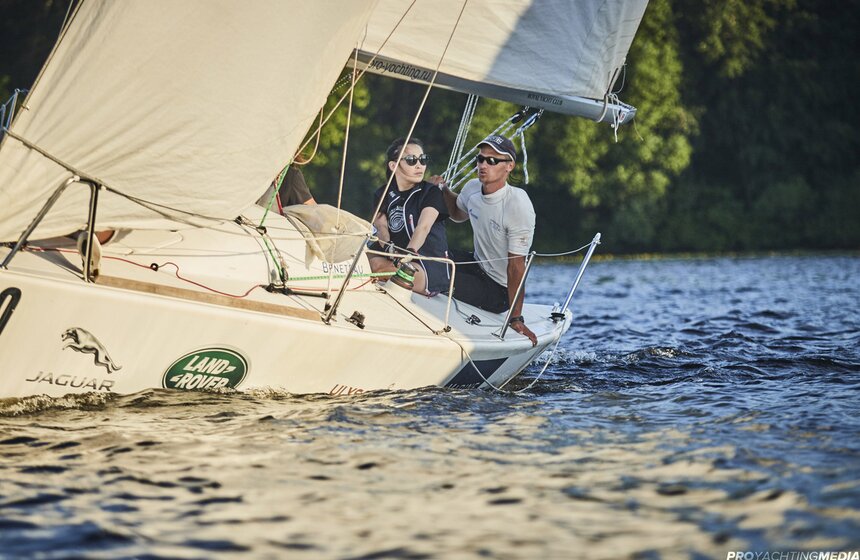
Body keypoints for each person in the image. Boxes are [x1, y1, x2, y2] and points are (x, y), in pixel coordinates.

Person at [440, 134, 538, 346]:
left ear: (509, 166)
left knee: (437, 276)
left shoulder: (517, 204)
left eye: (492, 160)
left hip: (498, 290)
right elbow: (458, 214)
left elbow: (516, 267)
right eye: (480, 159)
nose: (483, 165)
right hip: (476, 265)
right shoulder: (472, 187)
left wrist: (516, 318)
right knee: (431, 256)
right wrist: (443, 190)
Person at [368, 137, 451, 295]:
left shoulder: (431, 192)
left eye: (423, 159)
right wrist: (388, 246)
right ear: (393, 165)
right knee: (355, 256)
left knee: (377, 266)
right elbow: (381, 226)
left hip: (427, 265)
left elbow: (423, 227)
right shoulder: (383, 193)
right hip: (395, 257)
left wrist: (409, 252)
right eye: (412, 160)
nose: (419, 165)